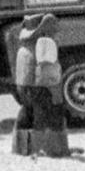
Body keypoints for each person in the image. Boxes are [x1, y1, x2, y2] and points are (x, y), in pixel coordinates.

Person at [12, 11, 68, 156]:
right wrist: (55, 93)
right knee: (43, 114)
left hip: (23, 85)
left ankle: (21, 148)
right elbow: (47, 71)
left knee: (27, 111)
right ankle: (44, 149)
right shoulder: (43, 44)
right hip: (38, 85)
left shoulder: (24, 47)